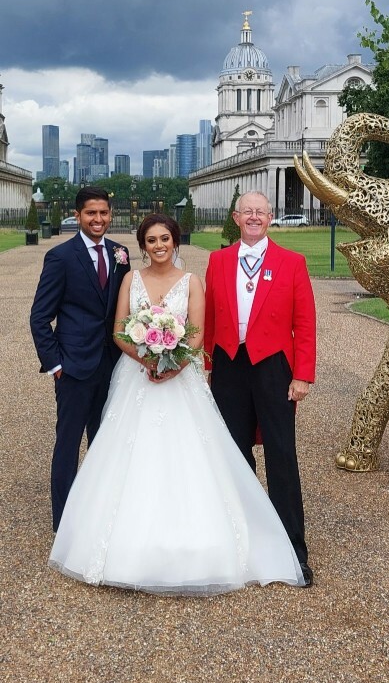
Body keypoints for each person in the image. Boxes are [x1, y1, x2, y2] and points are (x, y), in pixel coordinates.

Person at [49, 214, 305, 595]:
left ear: (175, 241)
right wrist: (146, 357)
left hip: (179, 377)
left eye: (164, 238)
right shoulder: (130, 280)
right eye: (150, 240)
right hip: (135, 376)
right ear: (142, 245)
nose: (158, 245)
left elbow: (198, 333)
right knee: (125, 454)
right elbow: (119, 329)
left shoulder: (192, 282)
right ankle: (123, 545)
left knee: (192, 456)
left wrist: (172, 363)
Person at [204, 191, 316, 586]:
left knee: (282, 457)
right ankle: (240, 541)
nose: (253, 217)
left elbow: (304, 324)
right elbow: (210, 316)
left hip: (274, 368)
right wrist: (208, 364)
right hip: (229, 366)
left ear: (271, 218)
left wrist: (302, 374)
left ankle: (292, 550)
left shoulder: (292, 262)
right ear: (236, 217)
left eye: (260, 212)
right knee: (233, 455)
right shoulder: (217, 261)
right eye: (247, 211)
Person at [30, 186, 131, 531]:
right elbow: (39, 317)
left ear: (110, 214)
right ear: (78, 216)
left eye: (103, 213)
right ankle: (64, 521)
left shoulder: (121, 253)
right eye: (91, 213)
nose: (98, 219)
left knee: (106, 441)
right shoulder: (60, 257)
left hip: (114, 365)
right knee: (69, 443)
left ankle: (101, 513)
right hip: (73, 367)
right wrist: (56, 365)